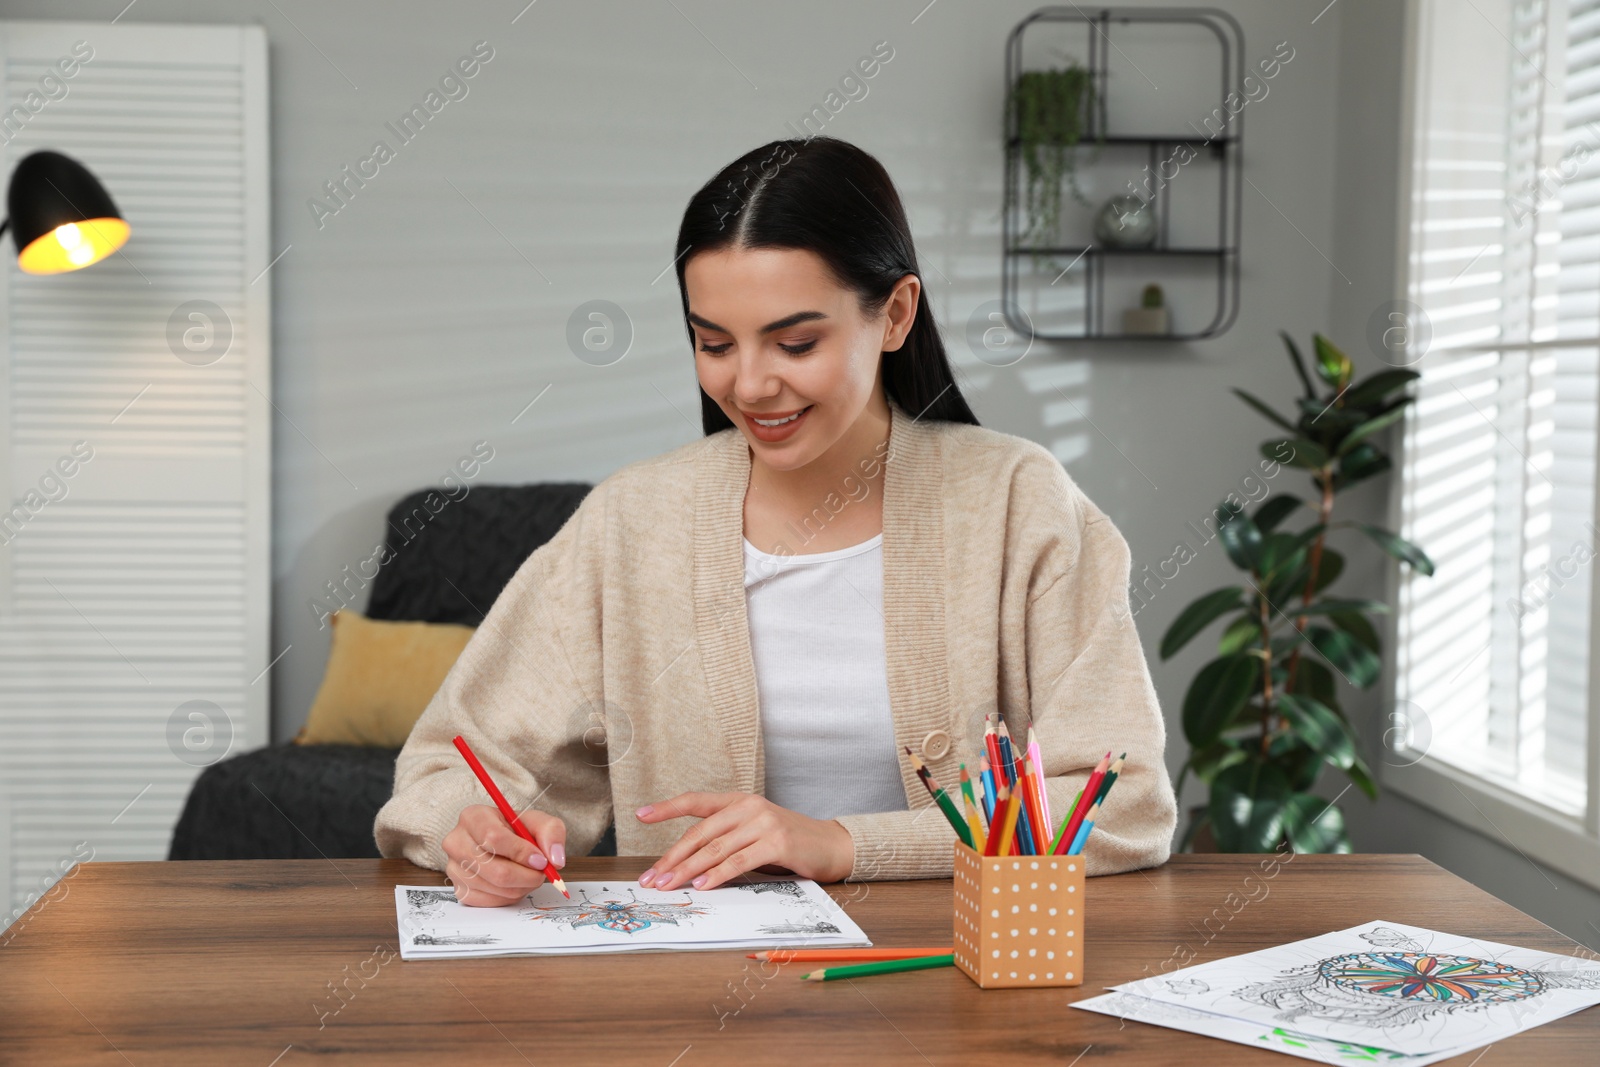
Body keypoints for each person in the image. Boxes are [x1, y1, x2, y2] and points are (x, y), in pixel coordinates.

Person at [373, 135, 1176, 906]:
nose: (750, 384)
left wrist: (841, 844)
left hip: (963, 987)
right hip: (696, 1006)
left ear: (894, 314)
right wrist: (474, 836)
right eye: (713, 342)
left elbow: (1126, 803)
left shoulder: (1018, 501)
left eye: (794, 343)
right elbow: (451, 766)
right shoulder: (631, 522)